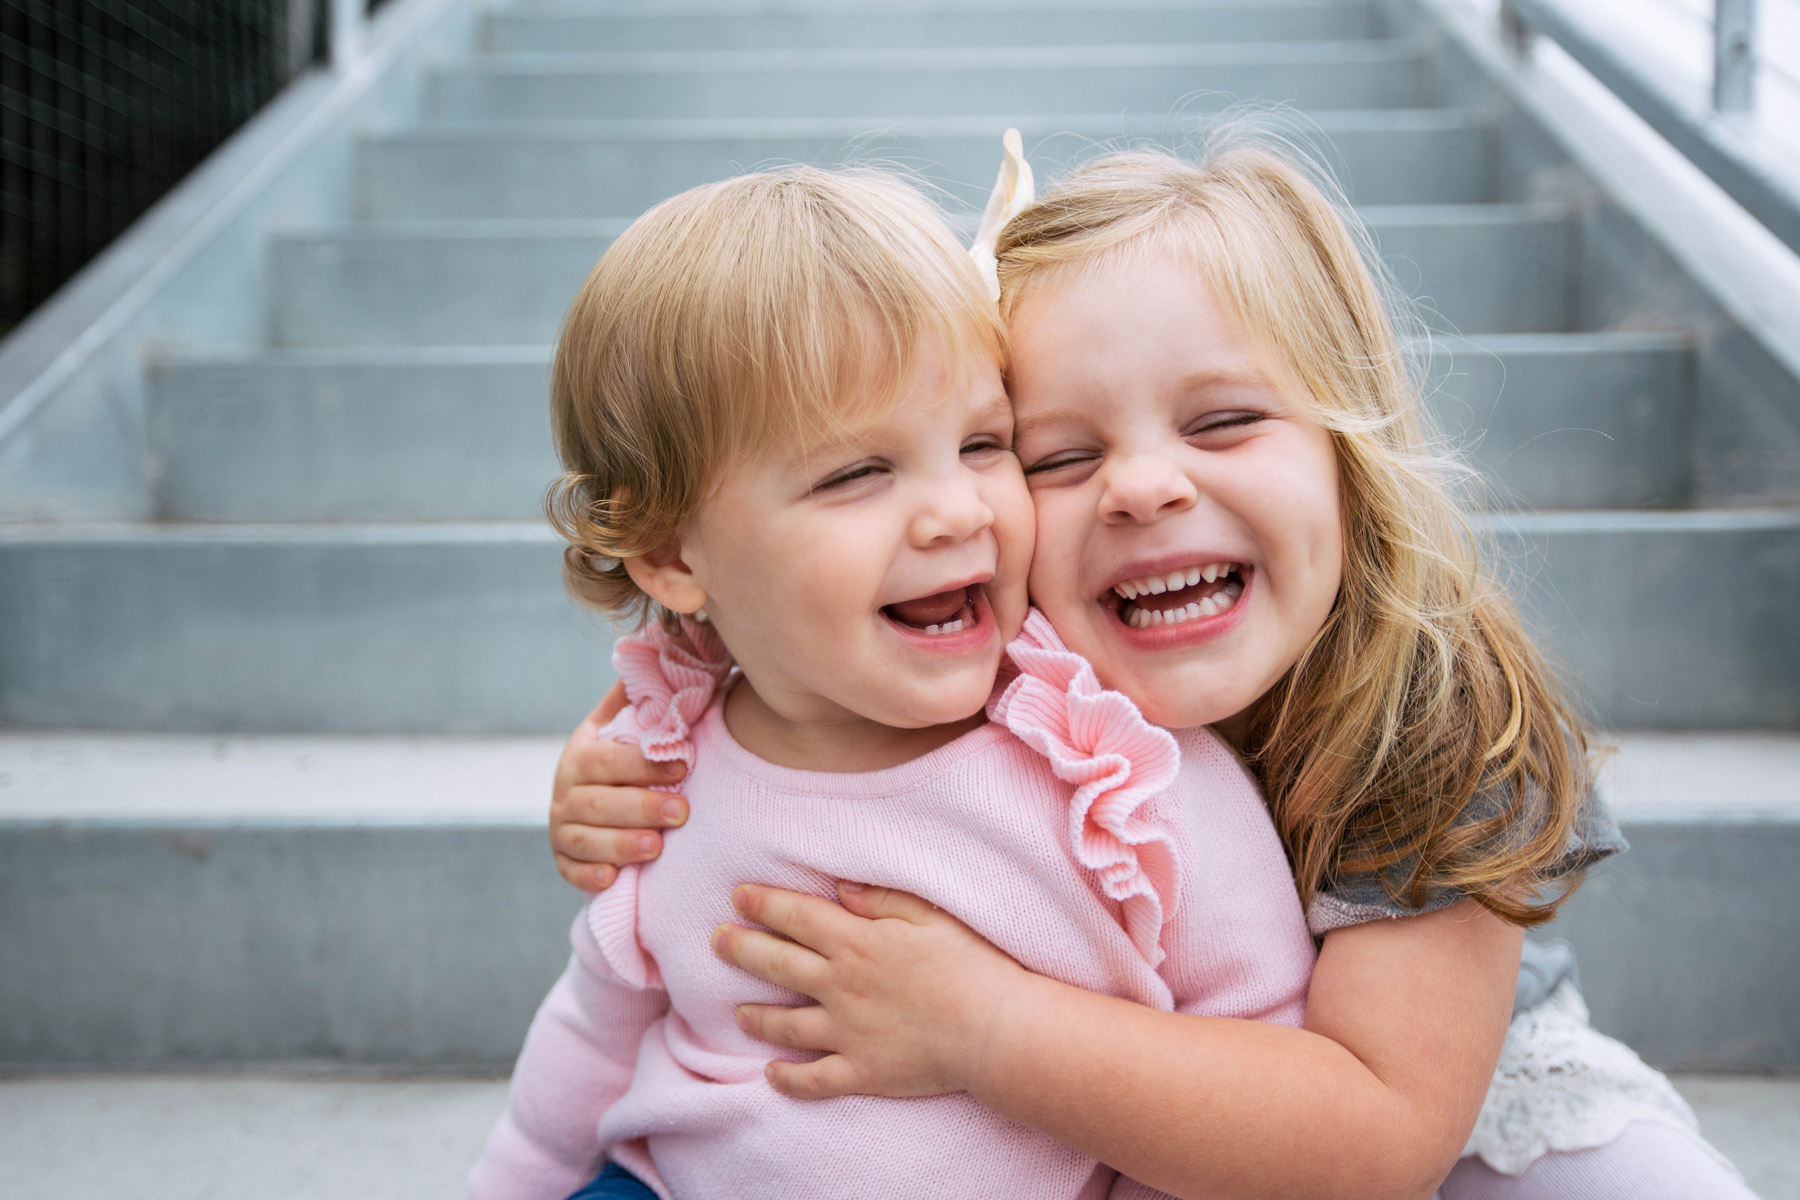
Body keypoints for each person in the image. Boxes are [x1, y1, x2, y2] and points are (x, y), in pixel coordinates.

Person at [545, 144, 1756, 1197]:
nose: (1142, 485)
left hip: (1447, 1103)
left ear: (1348, 445)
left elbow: (1377, 1139)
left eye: (1223, 423)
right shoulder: (984, 627)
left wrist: (979, 1026)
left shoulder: (1437, 714)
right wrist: (602, 783)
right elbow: (752, 637)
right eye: (1057, 455)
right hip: (1108, 1123)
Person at [468, 161, 1327, 1200]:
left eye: (983, 443)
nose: (958, 512)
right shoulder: (661, 774)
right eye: (856, 474)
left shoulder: (1115, 774)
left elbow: (1252, 1056)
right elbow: (593, 1031)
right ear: (674, 560)